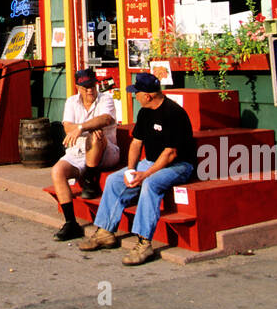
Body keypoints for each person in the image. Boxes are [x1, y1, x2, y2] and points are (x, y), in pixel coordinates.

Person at [77, 72, 196, 265]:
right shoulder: (145, 112)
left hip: (179, 165)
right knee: (115, 180)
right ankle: (105, 231)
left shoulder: (174, 114)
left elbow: (171, 153)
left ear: (148, 96)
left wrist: (145, 174)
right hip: (151, 162)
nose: (135, 96)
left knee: (150, 183)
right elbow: (136, 143)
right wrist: (130, 170)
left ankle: (144, 242)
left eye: (137, 93)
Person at [51, 68, 120, 241]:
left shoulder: (106, 99)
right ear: (77, 87)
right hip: (79, 151)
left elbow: (105, 119)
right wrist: (89, 126)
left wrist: (81, 127)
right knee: (57, 171)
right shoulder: (72, 102)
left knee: (96, 135)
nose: (89, 90)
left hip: (107, 151)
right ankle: (70, 223)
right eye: (84, 87)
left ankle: (90, 181)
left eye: (91, 85)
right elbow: (67, 127)